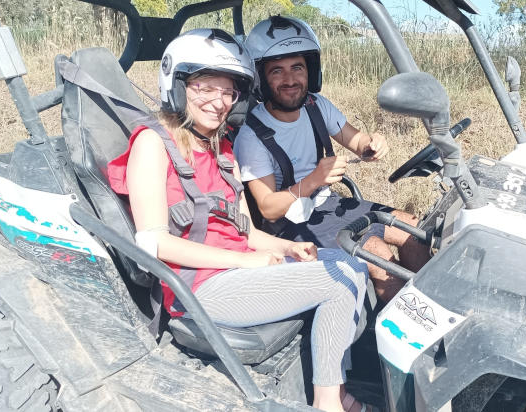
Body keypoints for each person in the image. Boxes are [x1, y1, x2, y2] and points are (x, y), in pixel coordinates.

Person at [105, 28, 371, 412]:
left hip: (234, 272)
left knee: (350, 265)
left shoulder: (219, 146)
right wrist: (246, 260)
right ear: (177, 86)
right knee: (339, 281)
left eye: (228, 92)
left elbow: (245, 230)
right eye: (205, 89)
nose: (219, 102)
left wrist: (287, 247)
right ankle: (330, 403)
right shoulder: (152, 142)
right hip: (198, 288)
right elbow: (153, 244)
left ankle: (336, 386)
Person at [234, 16, 429, 302]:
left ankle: (433, 303)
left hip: (328, 206)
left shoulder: (316, 105)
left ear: (310, 71)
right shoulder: (251, 135)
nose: (290, 80)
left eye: (297, 68)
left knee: (410, 225)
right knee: (376, 252)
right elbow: (267, 209)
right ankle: (409, 328)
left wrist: (371, 143)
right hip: (290, 224)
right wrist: (313, 180)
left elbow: (357, 141)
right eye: (277, 71)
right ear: (261, 77)